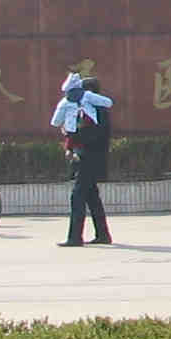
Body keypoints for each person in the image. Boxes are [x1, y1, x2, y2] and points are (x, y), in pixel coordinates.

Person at [52, 71, 115, 247]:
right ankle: (103, 234)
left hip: (89, 157)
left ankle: (75, 237)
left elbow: (90, 135)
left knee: (77, 195)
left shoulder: (97, 112)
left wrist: (74, 137)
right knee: (91, 196)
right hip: (89, 156)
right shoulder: (92, 109)